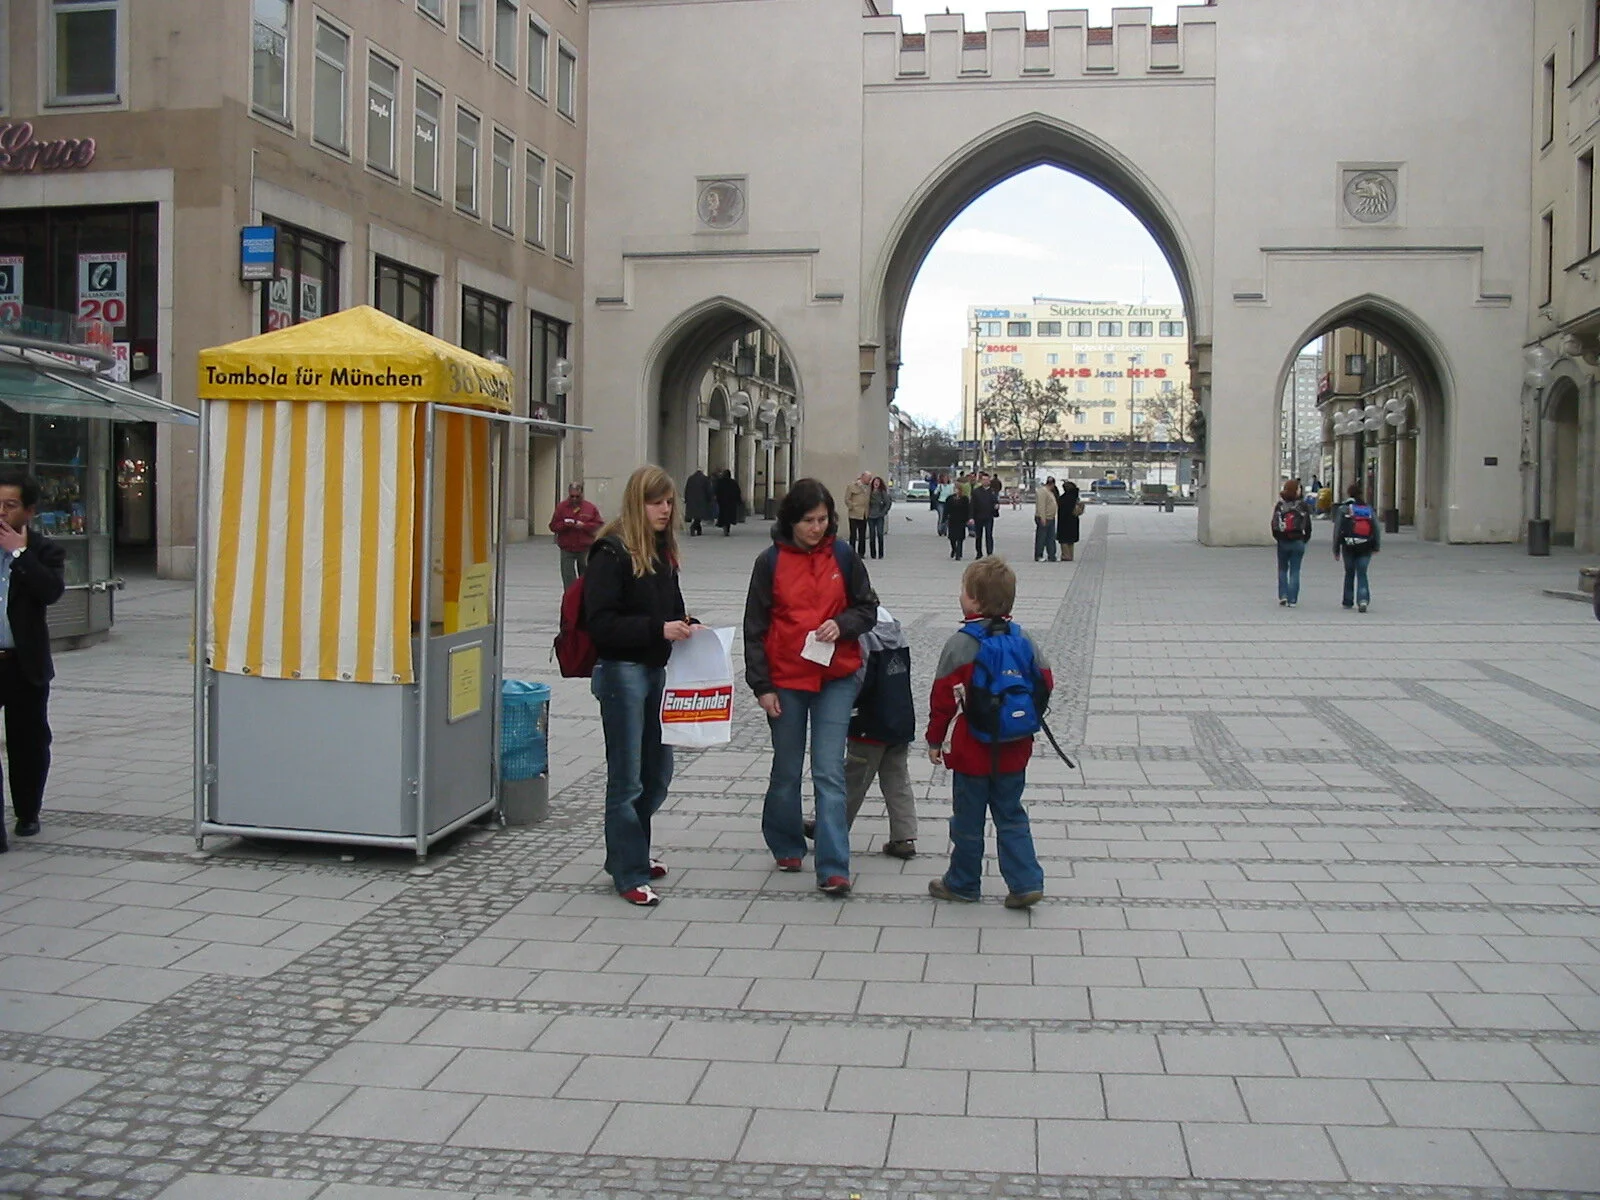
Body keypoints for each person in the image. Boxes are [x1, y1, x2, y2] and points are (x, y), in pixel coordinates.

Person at [744, 478, 879, 896]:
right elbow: (755, 628)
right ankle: (785, 842)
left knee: (828, 771)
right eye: (808, 521)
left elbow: (868, 607)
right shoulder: (769, 562)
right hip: (785, 678)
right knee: (786, 768)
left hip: (835, 676)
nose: (817, 528)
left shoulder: (843, 555)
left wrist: (843, 624)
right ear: (791, 521)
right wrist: (761, 685)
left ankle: (834, 865)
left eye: (823, 519)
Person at [583, 466, 694, 906]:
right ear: (637, 503)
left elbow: (673, 606)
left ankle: (632, 854)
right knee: (627, 777)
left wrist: (687, 625)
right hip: (622, 672)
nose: (665, 510)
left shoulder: (663, 551)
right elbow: (602, 624)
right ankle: (628, 871)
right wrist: (658, 630)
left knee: (656, 773)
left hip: (654, 670)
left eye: (669, 502)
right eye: (656, 502)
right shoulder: (611, 552)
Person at [925, 557, 1053, 907]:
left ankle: (963, 882)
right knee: (1011, 813)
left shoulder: (961, 644)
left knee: (967, 819)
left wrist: (935, 740)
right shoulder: (1023, 637)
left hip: (972, 751)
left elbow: (942, 701)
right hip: (1014, 748)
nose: (961, 596)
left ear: (975, 602)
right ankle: (1025, 882)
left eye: (964, 591)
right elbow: (1045, 683)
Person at [0, 474, 64, 852]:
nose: (2, 512)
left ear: (29, 511)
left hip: (23, 663)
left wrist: (19, 553)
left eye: (10, 505)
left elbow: (50, 591)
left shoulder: (43, 550)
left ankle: (27, 811)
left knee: (28, 742)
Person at [1333, 482, 1380, 612]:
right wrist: (1376, 545)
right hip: (1365, 546)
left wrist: (1336, 549)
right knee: (1362, 573)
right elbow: (1376, 528)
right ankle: (1363, 599)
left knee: (1349, 573)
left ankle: (1348, 601)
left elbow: (1337, 530)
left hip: (1348, 546)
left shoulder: (1343, 509)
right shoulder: (1367, 508)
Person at [548, 481, 604, 589]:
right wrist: (564, 524)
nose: (574, 499)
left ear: (582, 494)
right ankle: (570, 599)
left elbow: (599, 525)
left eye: (577, 496)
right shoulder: (561, 507)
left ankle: (585, 600)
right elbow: (553, 526)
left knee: (586, 578)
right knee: (568, 578)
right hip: (567, 548)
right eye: (572, 496)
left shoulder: (590, 508)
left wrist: (584, 526)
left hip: (585, 548)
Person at [1270, 479, 1314, 608]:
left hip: (1283, 541)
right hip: (1298, 540)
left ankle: (1283, 595)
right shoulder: (1302, 506)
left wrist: (1278, 537)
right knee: (1295, 570)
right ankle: (1292, 599)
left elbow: (1273, 524)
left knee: (1282, 569)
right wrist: (1305, 539)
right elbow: (1308, 525)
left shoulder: (1280, 505)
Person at [843, 471, 872, 557]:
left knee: (862, 535)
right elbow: (847, 499)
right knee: (853, 535)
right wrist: (851, 506)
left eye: (870, 479)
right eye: (868, 478)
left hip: (864, 513)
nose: (869, 480)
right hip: (854, 514)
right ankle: (852, 553)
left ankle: (861, 553)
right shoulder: (852, 486)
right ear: (863, 477)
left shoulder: (869, 487)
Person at [970, 471, 997, 557]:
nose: (985, 481)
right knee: (978, 536)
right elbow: (972, 505)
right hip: (978, 516)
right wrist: (971, 517)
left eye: (987, 480)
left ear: (989, 481)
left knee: (989, 535)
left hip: (989, 517)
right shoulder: (976, 491)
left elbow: (995, 502)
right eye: (984, 480)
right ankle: (979, 552)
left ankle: (990, 553)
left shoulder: (992, 492)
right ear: (981, 481)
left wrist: (996, 507)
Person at [944, 481, 972, 560]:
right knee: (952, 537)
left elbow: (967, 509)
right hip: (952, 519)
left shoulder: (964, 499)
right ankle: (954, 549)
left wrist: (968, 518)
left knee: (960, 537)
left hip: (961, 520)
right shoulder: (949, 498)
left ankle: (958, 554)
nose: (956, 490)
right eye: (955, 489)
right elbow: (946, 509)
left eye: (957, 489)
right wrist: (944, 518)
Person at [866, 476, 892, 559]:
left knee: (880, 534)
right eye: (875, 481)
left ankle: (881, 553)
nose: (876, 483)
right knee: (872, 535)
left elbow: (888, 503)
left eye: (878, 482)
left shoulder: (882, 492)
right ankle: (873, 553)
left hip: (879, 516)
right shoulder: (869, 492)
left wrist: (883, 512)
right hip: (870, 516)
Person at [1033, 476, 1058, 562]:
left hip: (1050, 517)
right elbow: (1041, 506)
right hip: (1044, 518)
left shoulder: (1049, 492)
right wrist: (1042, 518)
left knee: (1051, 538)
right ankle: (1039, 555)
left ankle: (1052, 555)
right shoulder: (1042, 492)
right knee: (1041, 538)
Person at [684, 468, 715, 536]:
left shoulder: (690, 478)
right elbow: (708, 490)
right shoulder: (705, 479)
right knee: (699, 516)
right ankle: (694, 527)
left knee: (696, 516)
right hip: (701, 500)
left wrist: (686, 499)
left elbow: (686, 489)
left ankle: (698, 529)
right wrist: (710, 499)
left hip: (691, 500)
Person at [1057, 478, 1082, 561]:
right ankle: (1071, 555)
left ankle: (1066, 555)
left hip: (1064, 521)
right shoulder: (1075, 497)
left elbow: (1062, 509)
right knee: (1071, 540)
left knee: (1064, 540)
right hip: (1073, 521)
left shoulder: (1064, 498)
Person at [714, 469, 742, 536]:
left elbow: (716, 491)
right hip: (731, 503)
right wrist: (738, 501)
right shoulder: (733, 482)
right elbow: (737, 492)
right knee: (729, 517)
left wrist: (717, 499)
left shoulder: (720, 482)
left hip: (722, 502)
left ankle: (725, 528)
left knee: (723, 516)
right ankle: (727, 528)